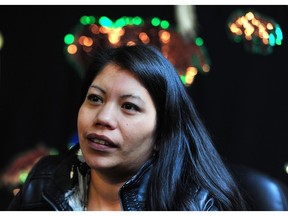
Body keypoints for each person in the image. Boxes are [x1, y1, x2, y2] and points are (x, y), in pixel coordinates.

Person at [7, 44, 247, 211]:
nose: (104, 117)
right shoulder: (44, 180)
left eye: (129, 106)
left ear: (162, 134)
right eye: (95, 99)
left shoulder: (198, 205)